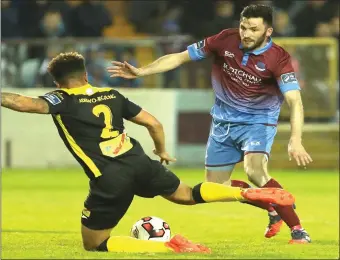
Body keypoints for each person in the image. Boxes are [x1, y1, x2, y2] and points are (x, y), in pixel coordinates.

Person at [1, 52, 295, 253]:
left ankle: (165, 245)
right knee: (187, 194)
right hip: (140, 162)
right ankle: (243, 194)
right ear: (86, 74)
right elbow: (153, 122)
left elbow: (28, 103)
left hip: (109, 177)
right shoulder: (112, 95)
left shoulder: (62, 99)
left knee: (94, 243)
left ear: (57, 82)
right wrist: (162, 150)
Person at [107, 4, 313, 244]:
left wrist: (295, 139)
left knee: (255, 170)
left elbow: (295, 101)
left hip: (258, 122)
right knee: (215, 187)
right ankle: (272, 205)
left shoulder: (279, 58)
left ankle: (298, 229)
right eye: (243, 26)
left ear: (268, 31)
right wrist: (142, 71)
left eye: (253, 29)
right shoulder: (225, 39)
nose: (246, 33)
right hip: (222, 124)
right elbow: (180, 57)